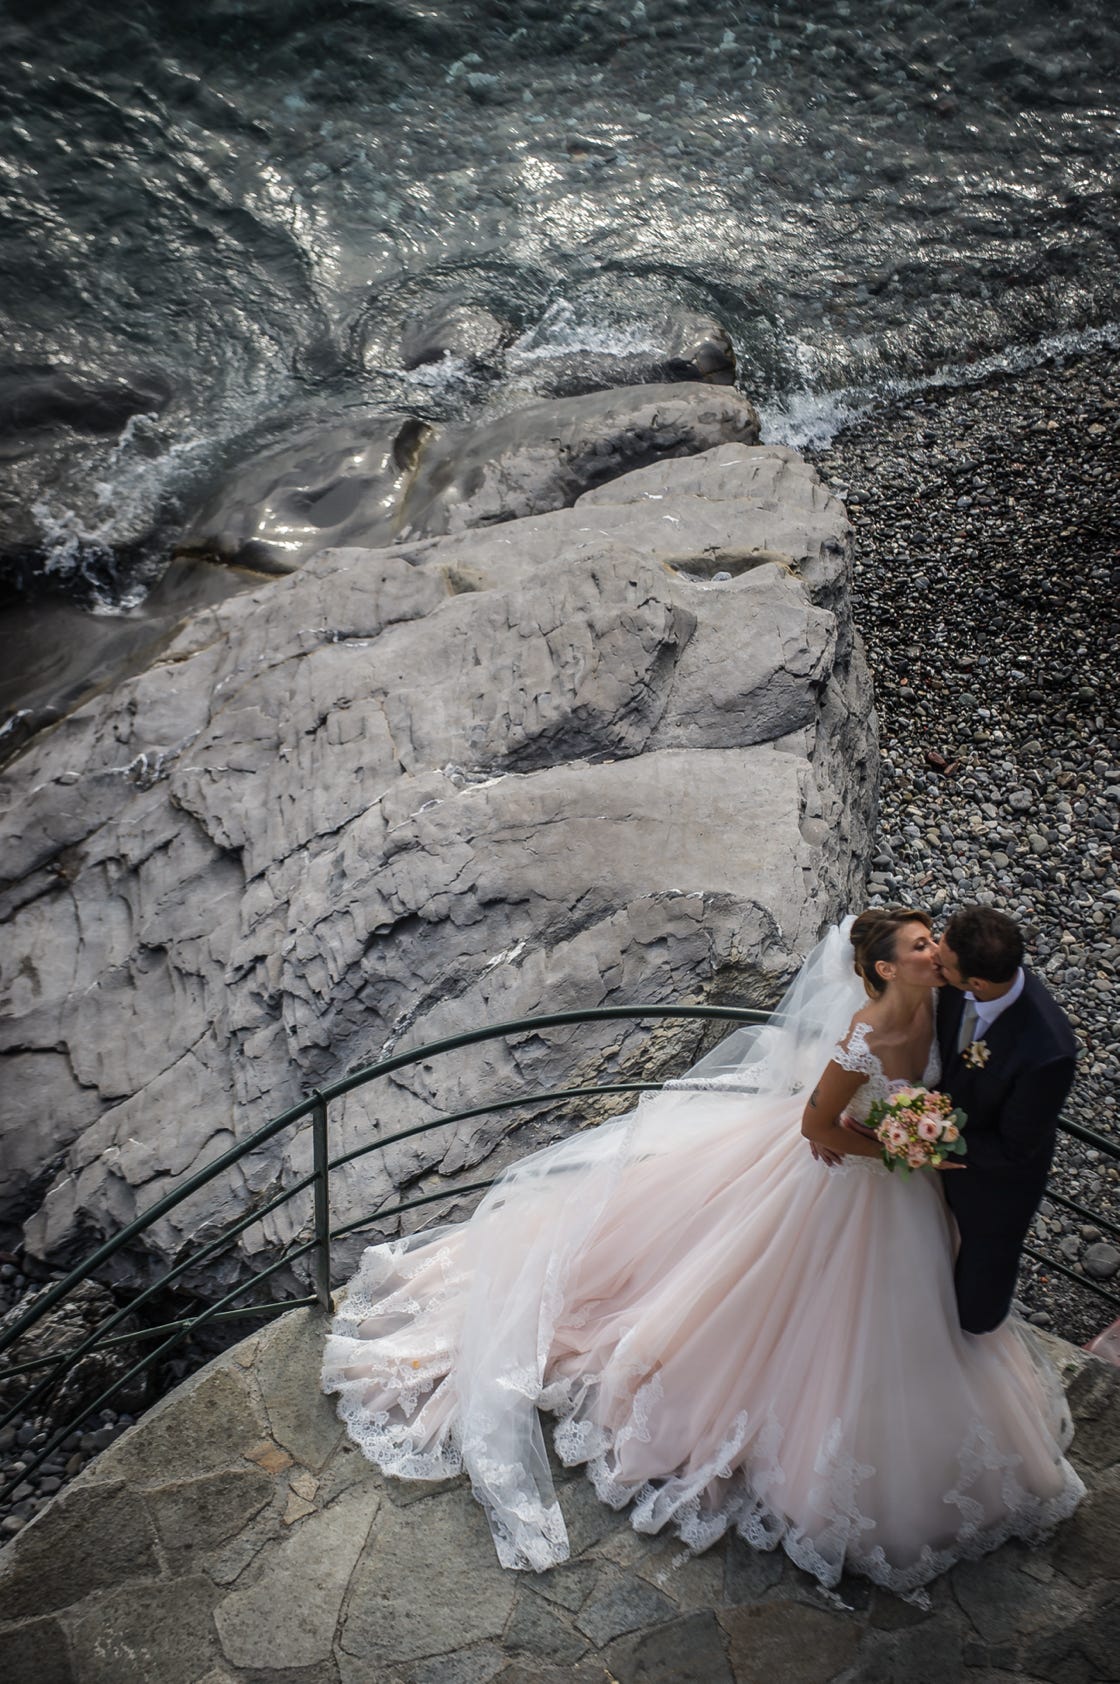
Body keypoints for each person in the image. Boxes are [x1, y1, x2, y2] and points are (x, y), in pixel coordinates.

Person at [322, 910, 1083, 1594]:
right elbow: (817, 1128)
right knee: (793, 1305)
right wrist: (887, 1140)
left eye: (940, 947)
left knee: (916, 1318)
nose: (937, 952)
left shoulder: (949, 1002)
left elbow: (973, 1082)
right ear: (886, 968)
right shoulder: (867, 1032)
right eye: (925, 945)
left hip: (912, 1194)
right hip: (856, 1179)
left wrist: (918, 1141)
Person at [933, 906, 1078, 1335]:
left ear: (975, 982)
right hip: (931, 1158)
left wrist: (931, 1144)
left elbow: (1016, 1147)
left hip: (992, 1187)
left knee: (975, 1308)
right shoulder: (955, 979)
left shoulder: (1048, 1052)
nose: (933, 963)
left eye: (942, 962)